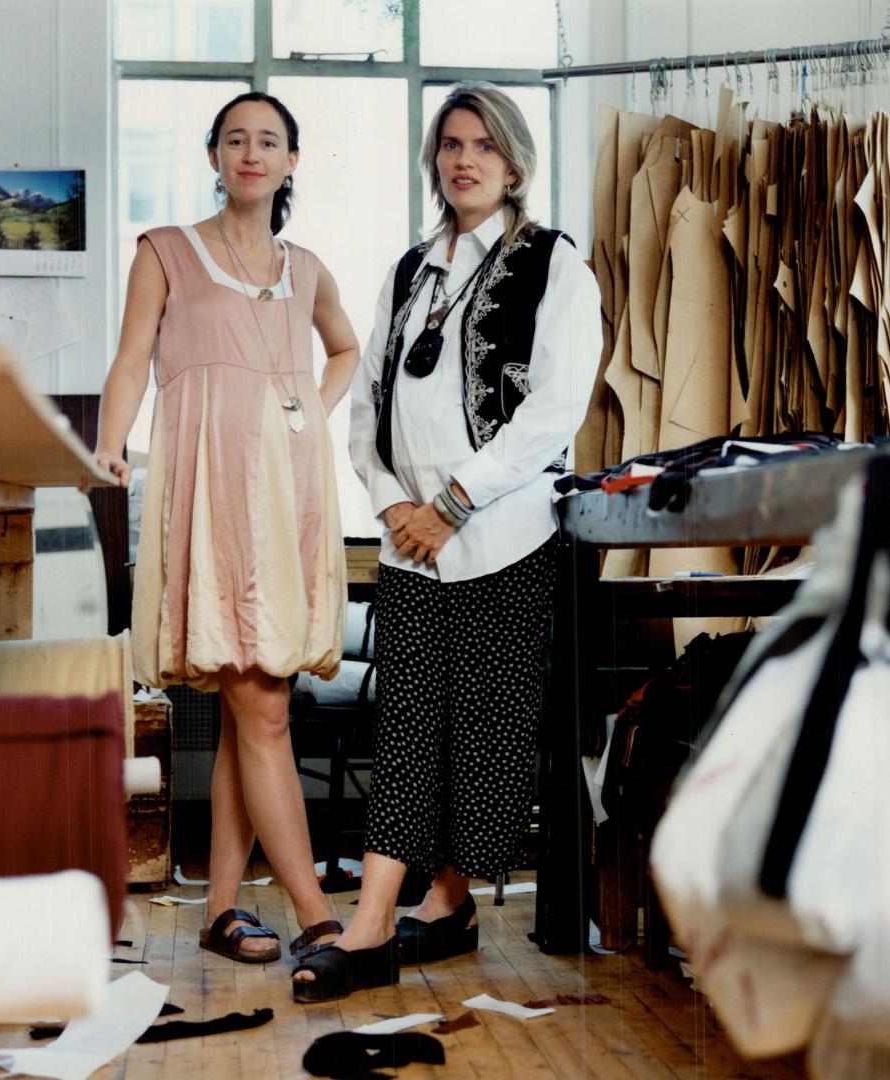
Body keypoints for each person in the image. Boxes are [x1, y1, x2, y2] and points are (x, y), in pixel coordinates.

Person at [292, 83, 602, 1002]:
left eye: (482, 145)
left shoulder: (554, 265)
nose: (463, 159)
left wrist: (455, 503)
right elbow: (366, 411)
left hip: (501, 535)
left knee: (490, 733)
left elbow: (554, 409)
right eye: (450, 144)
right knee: (408, 728)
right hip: (409, 545)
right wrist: (393, 506)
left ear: (513, 163)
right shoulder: (407, 271)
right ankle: (375, 920)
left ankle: (448, 900)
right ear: (435, 161)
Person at [95, 91, 359, 965]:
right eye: (235, 139)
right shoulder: (165, 252)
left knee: (257, 698)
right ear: (214, 156)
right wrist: (110, 443)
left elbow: (345, 350)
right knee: (264, 705)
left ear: (291, 162)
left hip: (288, 502)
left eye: (269, 141)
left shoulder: (308, 267)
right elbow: (132, 358)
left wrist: (306, 422)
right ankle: (319, 913)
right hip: (210, 494)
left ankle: (219, 910)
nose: (252, 152)